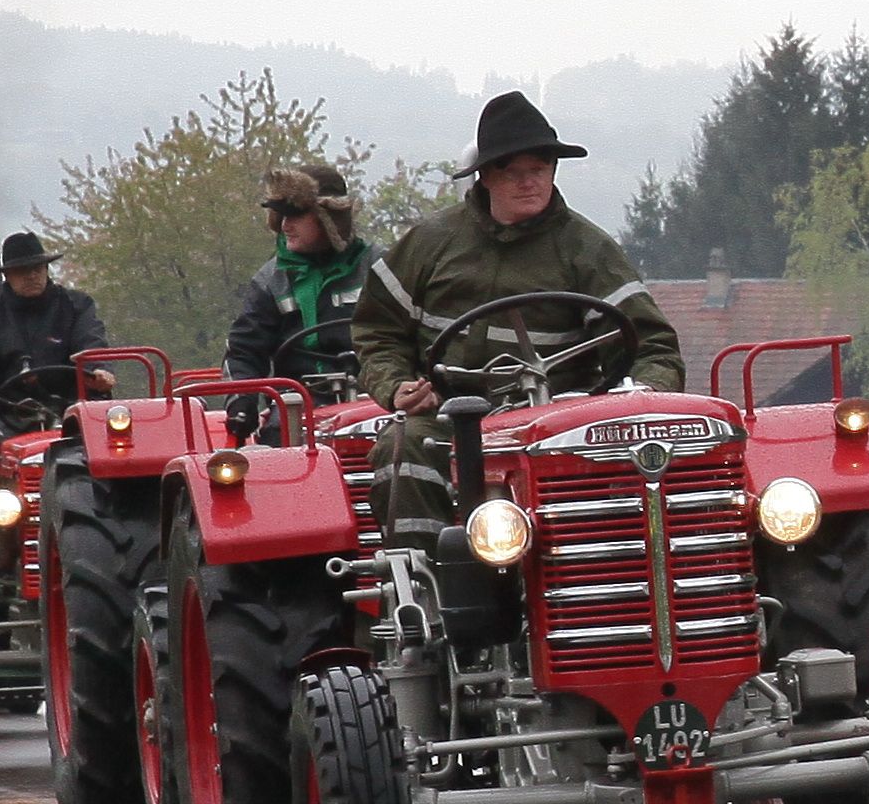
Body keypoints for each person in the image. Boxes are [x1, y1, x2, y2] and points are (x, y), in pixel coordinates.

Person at [352, 94, 686, 538]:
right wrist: (397, 387)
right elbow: (378, 330)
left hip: (558, 426)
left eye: (539, 169)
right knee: (402, 445)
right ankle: (428, 577)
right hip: (447, 418)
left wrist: (642, 395)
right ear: (485, 176)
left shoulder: (589, 251)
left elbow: (653, 349)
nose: (529, 183)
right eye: (513, 171)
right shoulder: (428, 245)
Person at [227, 164, 369, 384]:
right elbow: (244, 351)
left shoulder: (379, 269)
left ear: (329, 218)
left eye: (295, 215)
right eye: (281, 215)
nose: (285, 226)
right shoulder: (270, 281)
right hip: (297, 403)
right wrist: (241, 401)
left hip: (376, 401)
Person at [0, 232, 108, 414]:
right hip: (11, 414)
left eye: (37, 269)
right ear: (8, 276)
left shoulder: (77, 306)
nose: (32, 276)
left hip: (74, 408)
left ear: (46, 270)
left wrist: (98, 369)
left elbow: (91, 341)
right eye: (23, 271)